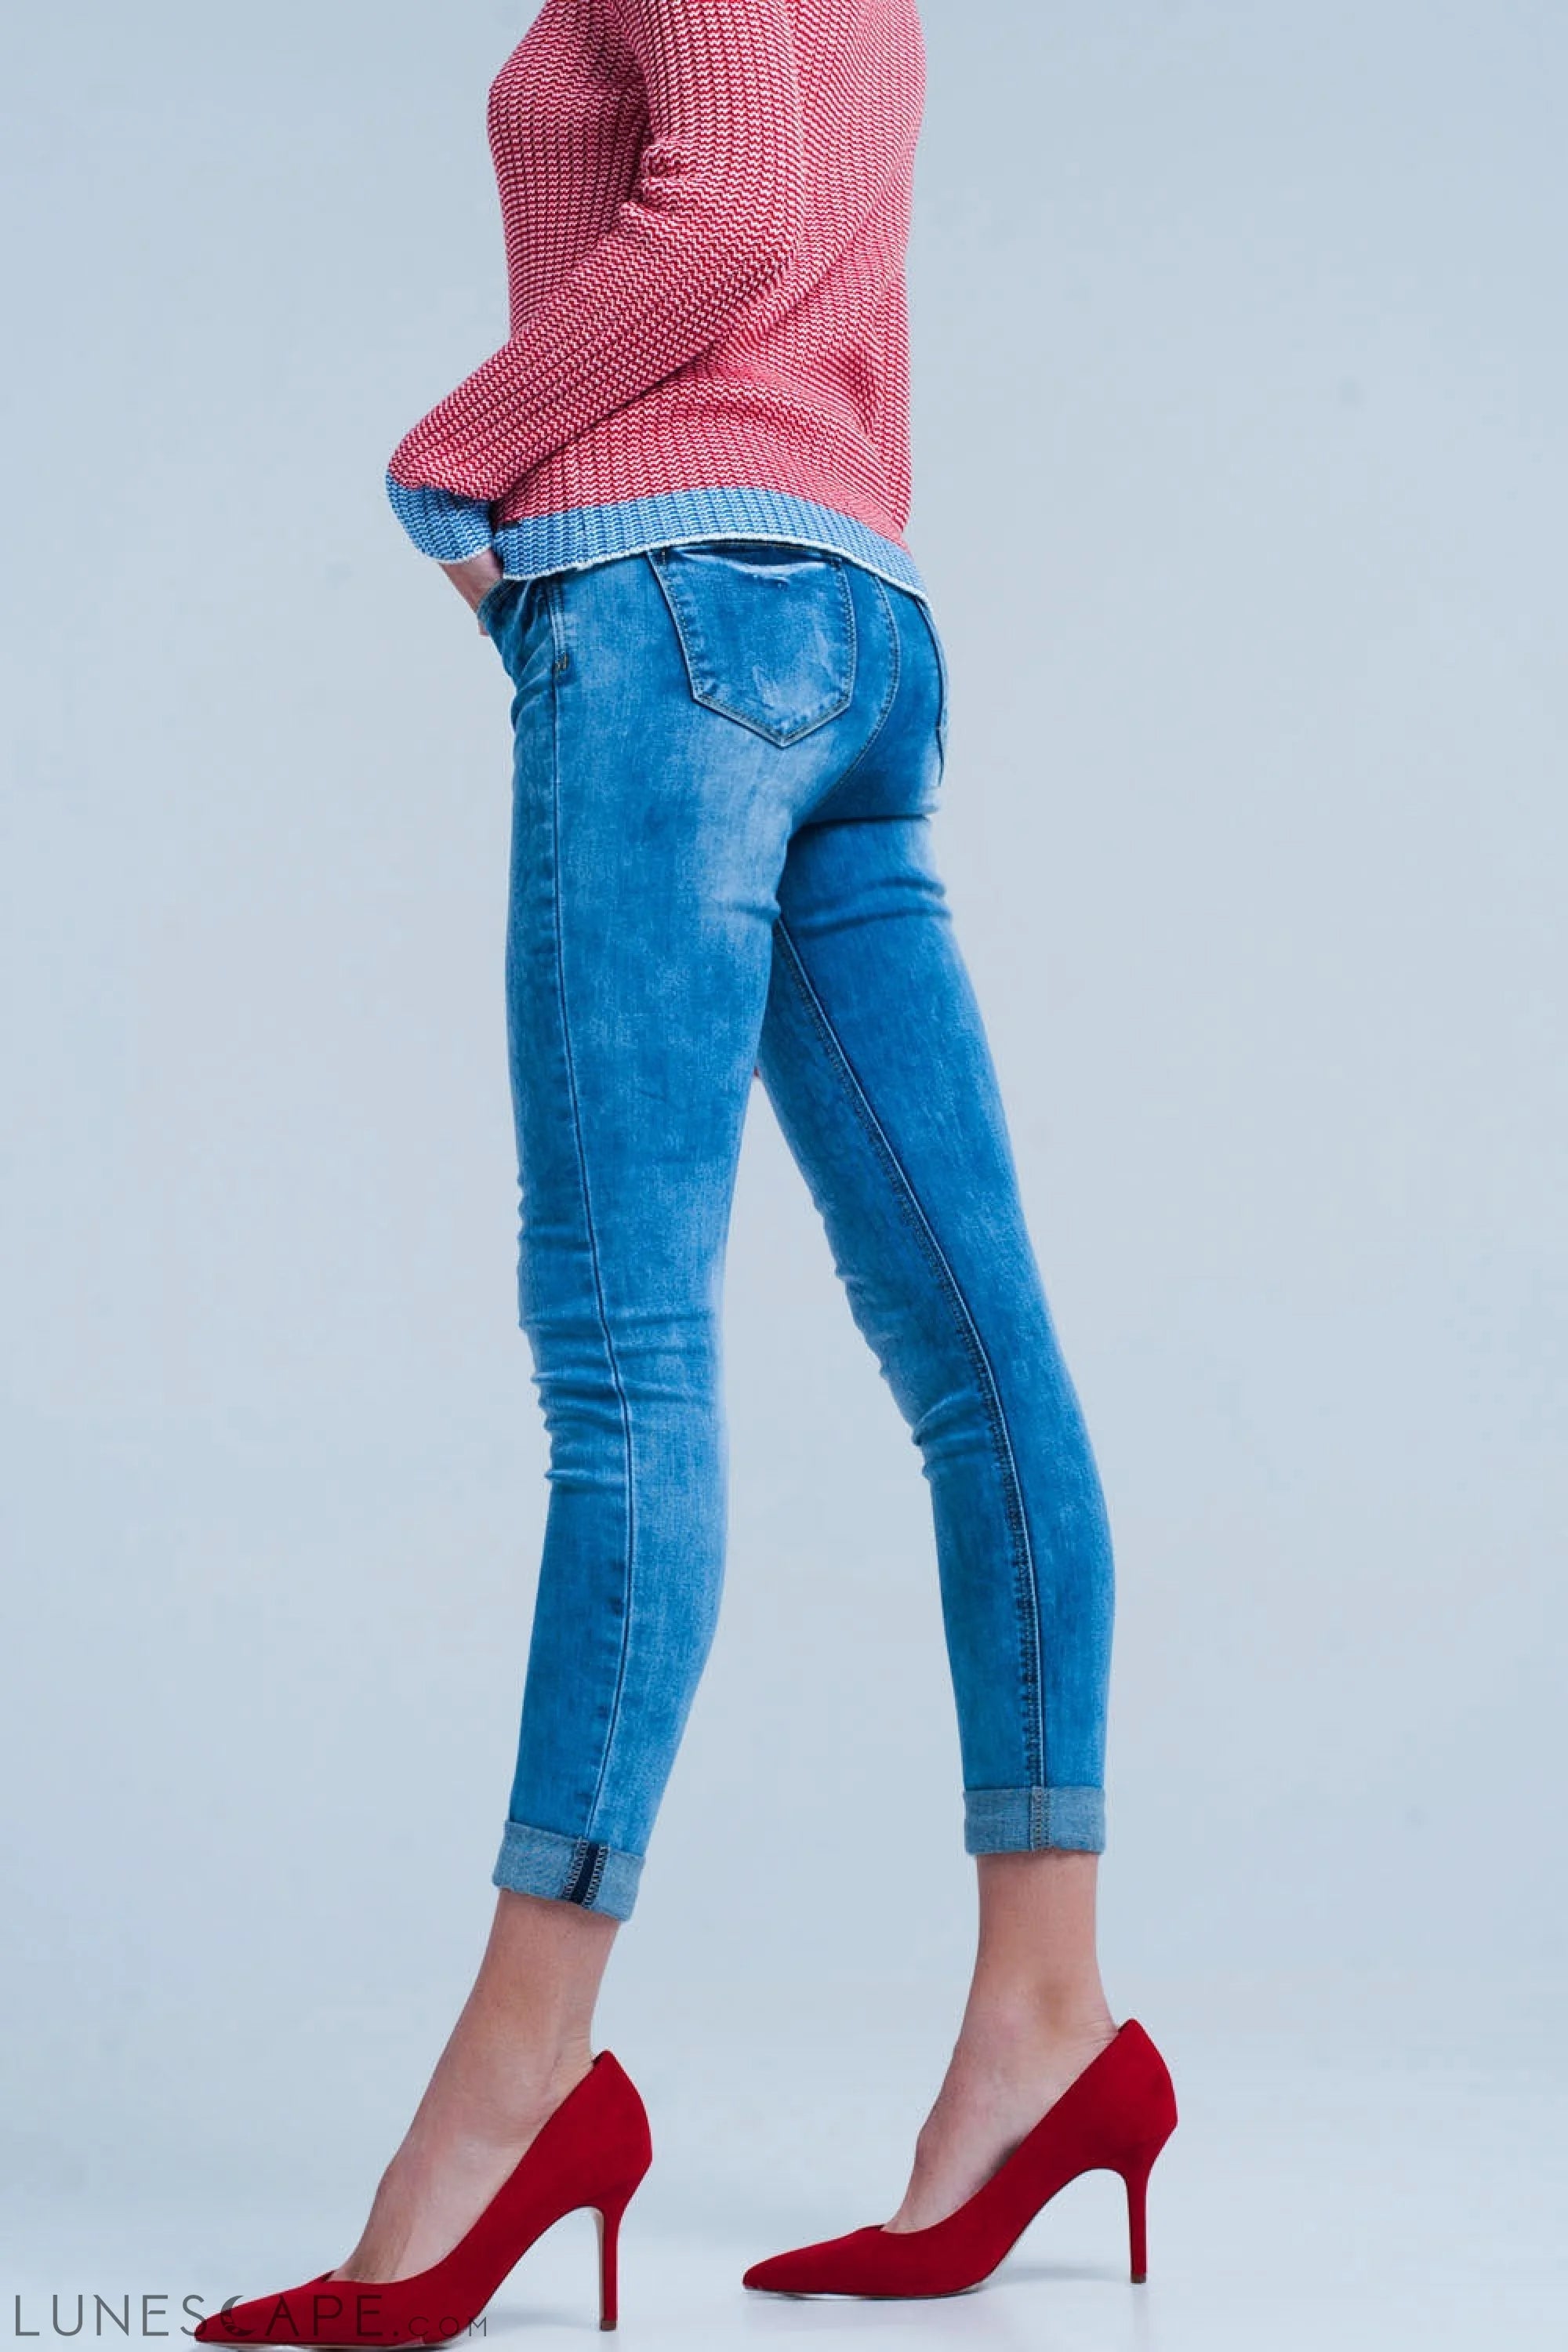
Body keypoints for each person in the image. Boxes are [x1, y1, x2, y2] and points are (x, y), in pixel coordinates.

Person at [195, 1, 1176, 2339]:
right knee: (978, 1356)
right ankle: (1052, 2017)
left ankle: (519, 2078)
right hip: (857, 612)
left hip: (669, 610)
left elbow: (730, 204)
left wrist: (454, 469)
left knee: (627, 1375)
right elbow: (817, 215)